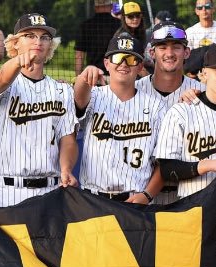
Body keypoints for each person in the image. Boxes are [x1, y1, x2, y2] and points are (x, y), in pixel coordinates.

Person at [0, 13, 79, 206]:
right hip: (8, 190)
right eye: (30, 36)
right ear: (15, 43)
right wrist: (19, 62)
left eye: (44, 37)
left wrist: (66, 169)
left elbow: (67, 139)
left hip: (51, 190)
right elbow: (1, 80)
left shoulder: (62, 90)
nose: (38, 41)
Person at [73, 31, 165, 205]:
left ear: (139, 67)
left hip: (135, 200)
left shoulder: (155, 106)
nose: (124, 64)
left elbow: (163, 162)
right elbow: (78, 99)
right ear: (106, 63)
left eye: (130, 59)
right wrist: (84, 77)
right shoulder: (94, 96)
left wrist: (147, 195)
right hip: (93, 199)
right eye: (118, 57)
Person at [153, 44, 216, 198]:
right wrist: (207, 165)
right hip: (193, 207)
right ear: (204, 73)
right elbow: (167, 170)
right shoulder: (181, 112)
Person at [137, 22, 203, 204]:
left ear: (187, 52)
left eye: (176, 47)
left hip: (186, 192)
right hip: (139, 192)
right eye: (162, 47)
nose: (169, 53)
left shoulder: (202, 92)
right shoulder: (134, 90)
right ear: (152, 53)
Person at [75, 0, 120, 74]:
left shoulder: (85, 26)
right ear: (111, 7)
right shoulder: (119, 25)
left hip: (92, 75)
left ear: (95, 7)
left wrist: (77, 78)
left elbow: (79, 55)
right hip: (114, 74)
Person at [116, 2, 147, 72]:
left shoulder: (139, 33)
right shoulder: (124, 36)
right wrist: (151, 80)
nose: (135, 19)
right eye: (130, 16)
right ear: (123, 17)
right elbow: (130, 63)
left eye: (138, 15)